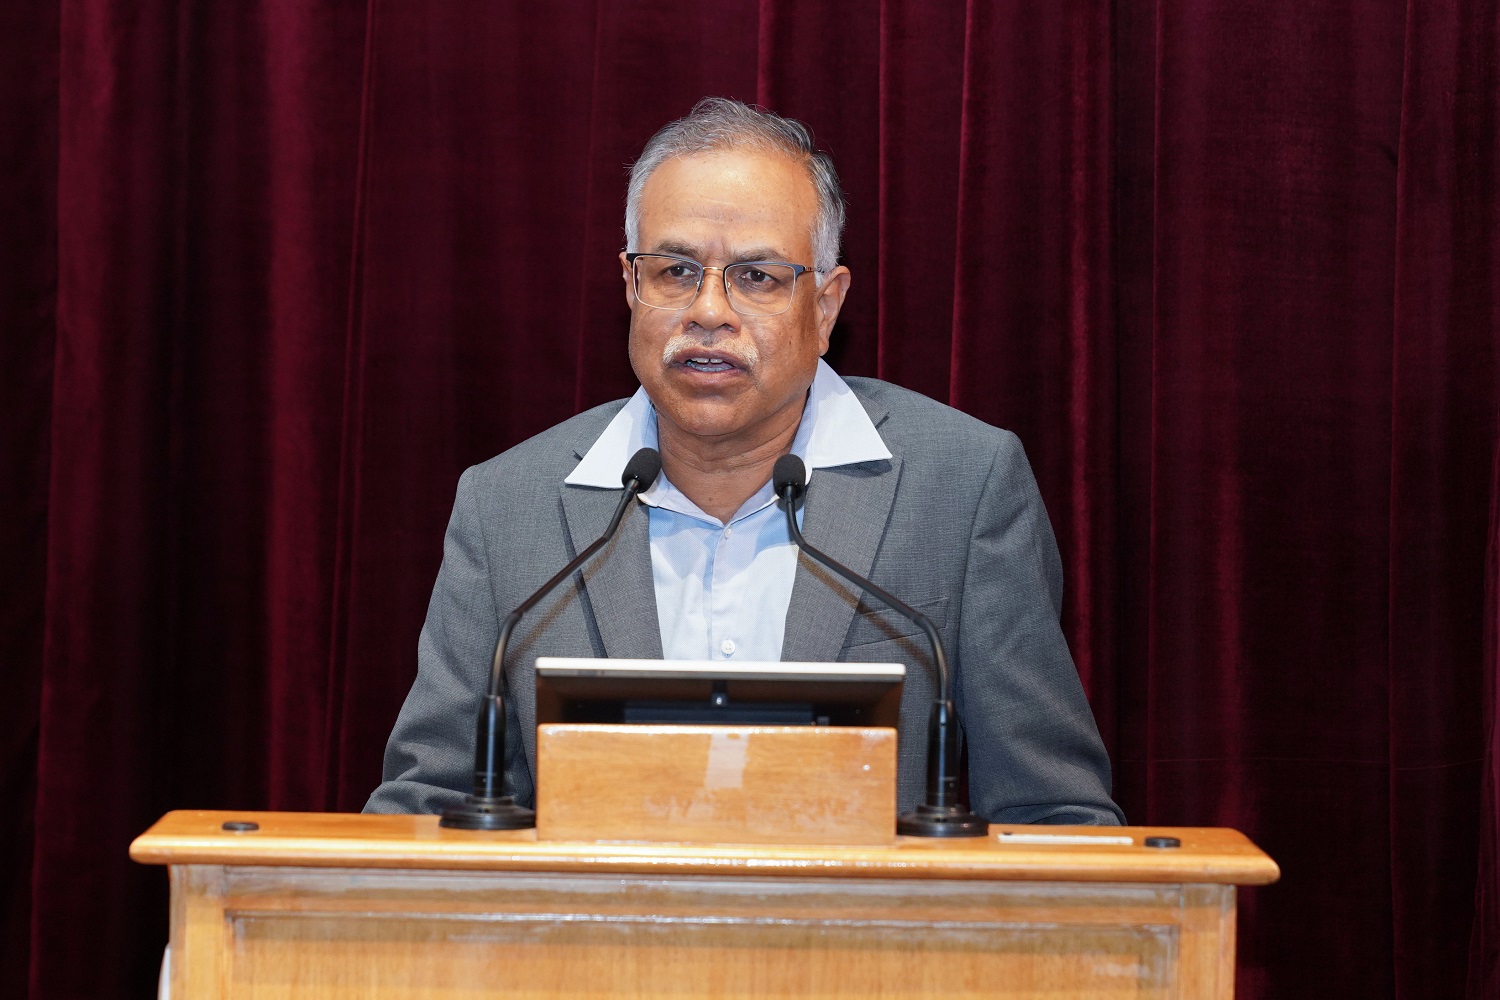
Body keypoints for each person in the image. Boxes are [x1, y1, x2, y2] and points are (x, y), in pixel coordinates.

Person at [365, 98, 1123, 825]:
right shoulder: (508, 510)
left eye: (756, 277)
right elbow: (426, 807)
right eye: (676, 271)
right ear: (631, 285)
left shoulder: (961, 489)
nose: (709, 311)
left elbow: (1050, 814)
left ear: (825, 307)